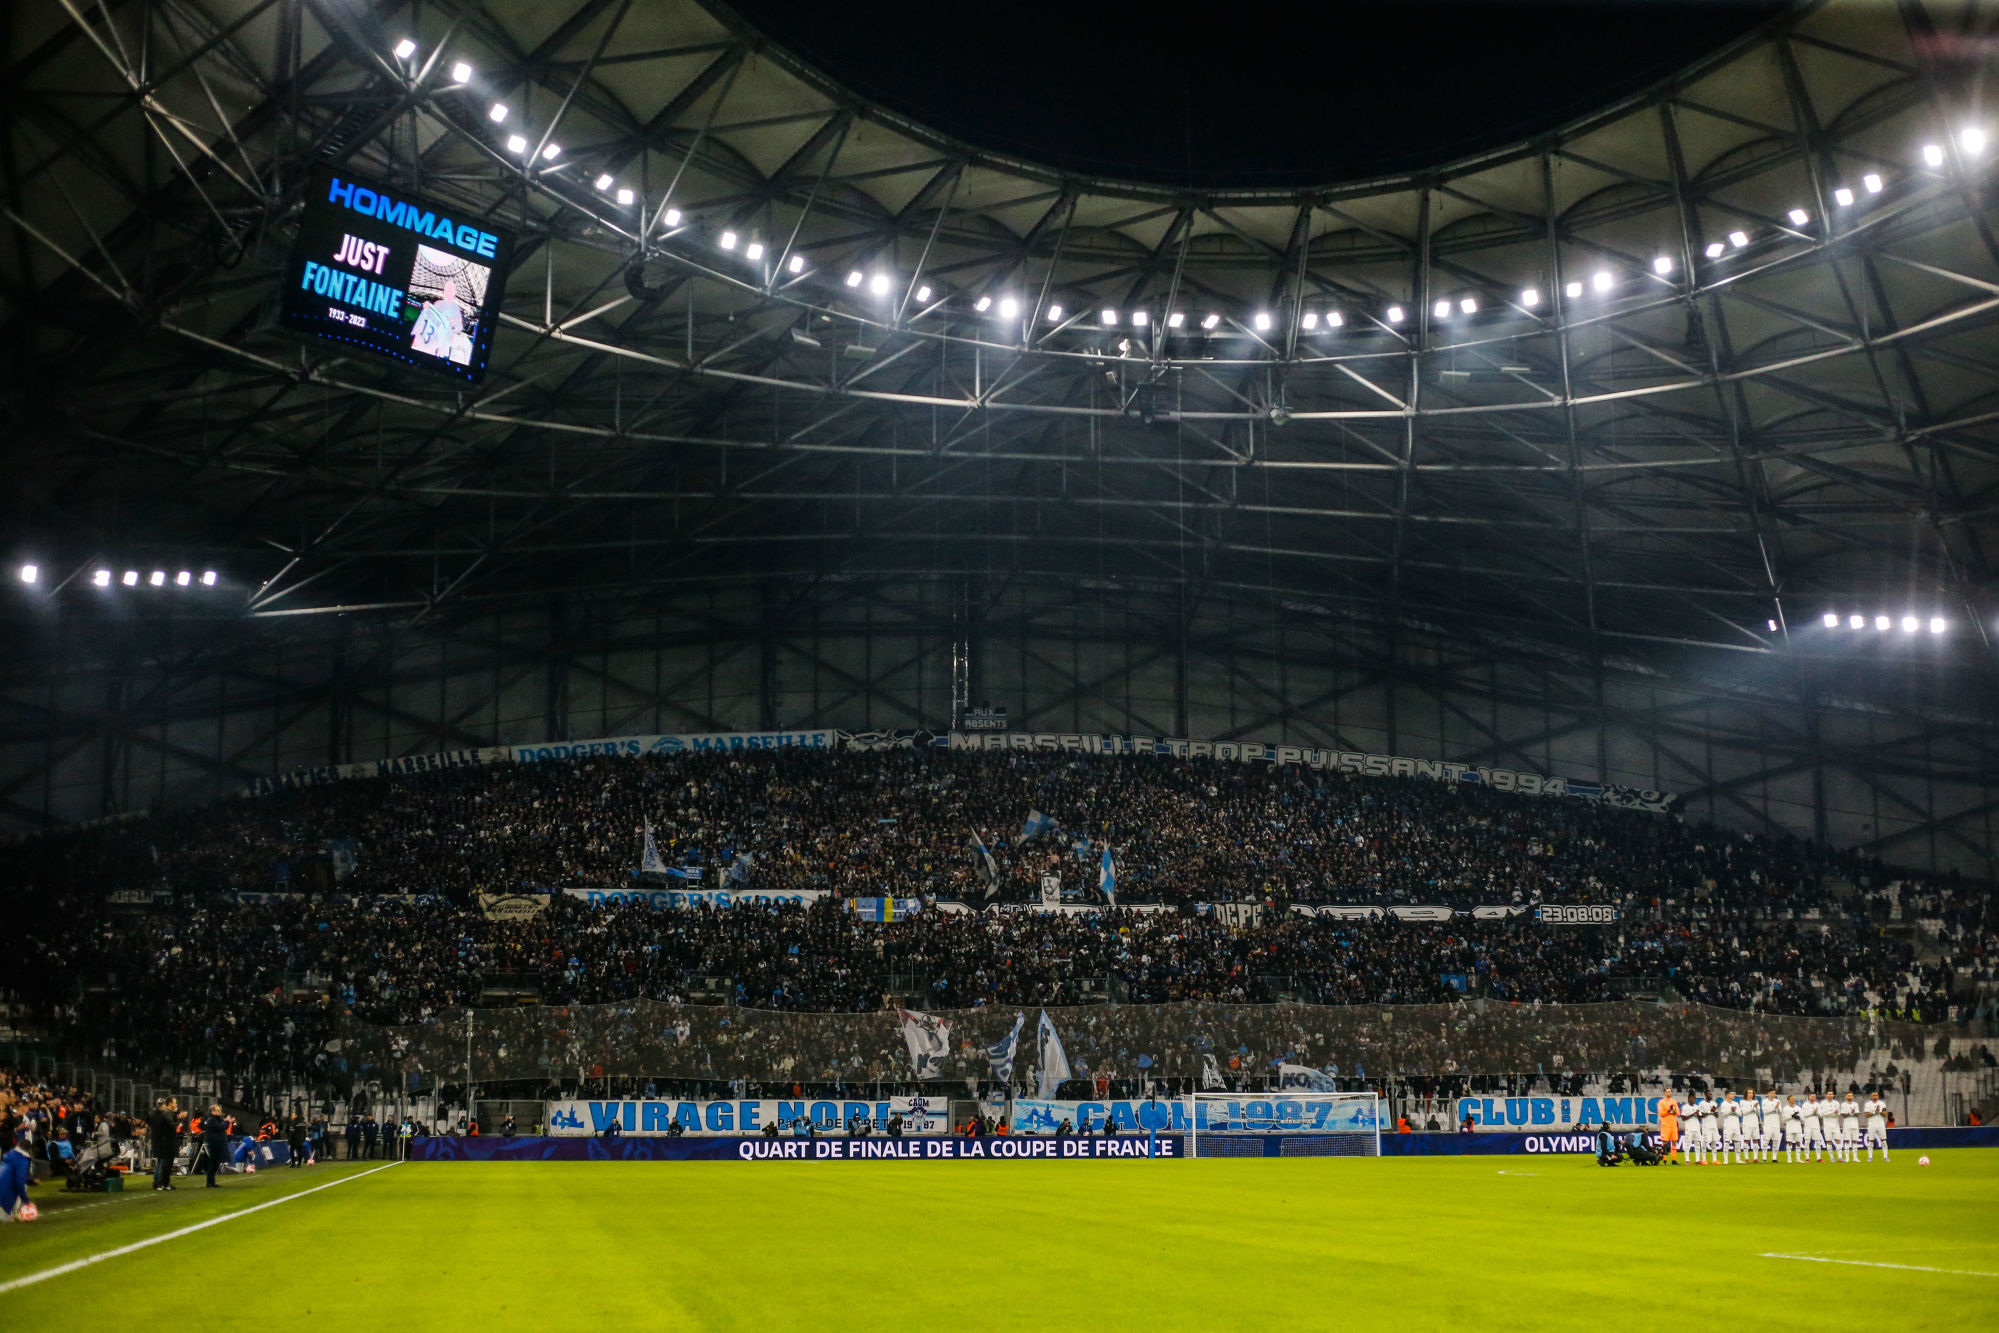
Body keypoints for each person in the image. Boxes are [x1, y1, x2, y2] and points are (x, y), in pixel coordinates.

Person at [145, 1097, 181, 1191]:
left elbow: (148, 1124)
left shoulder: (154, 1114)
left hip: (159, 1139)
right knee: (163, 1162)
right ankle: (159, 1182)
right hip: (161, 1140)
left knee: (162, 1162)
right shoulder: (164, 1114)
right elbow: (170, 1125)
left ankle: (161, 1182)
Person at [1, 1130, 34, 1221]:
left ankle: (12, 1212)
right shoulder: (22, 1159)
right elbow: (19, 1182)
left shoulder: (9, 1154)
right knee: (22, 1186)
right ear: (28, 1149)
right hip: (6, 1191)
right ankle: (12, 1212)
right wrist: (27, 1201)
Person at [196, 1104, 227, 1188]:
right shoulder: (211, 1120)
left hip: (217, 1142)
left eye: (220, 1110)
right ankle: (209, 1182)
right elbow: (221, 1128)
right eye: (217, 1110)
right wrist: (227, 1122)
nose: (219, 1112)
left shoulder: (216, 1119)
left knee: (215, 1163)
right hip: (214, 1143)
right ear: (213, 1111)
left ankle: (212, 1181)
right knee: (213, 1163)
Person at [1863, 1090, 1890, 1162]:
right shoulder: (1867, 1104)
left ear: (1878, 1096)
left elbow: (1885, 1114)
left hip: (1881, 1124)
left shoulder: (1882, 1104)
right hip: (1872, 1124)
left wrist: (1879, 1111)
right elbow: (1866, 1115)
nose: (1875, 1096)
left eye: (1876, 1095)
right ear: (1871, 1096)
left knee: (1883, 1141)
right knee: (1871, 1141)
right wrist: (1875, 1111)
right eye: (1874, 1095)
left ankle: (1885, 1156)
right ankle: (1870, 1157)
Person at [1657, 1091, 1680, 1165]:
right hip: (1665, 1125)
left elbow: (1678, 1112)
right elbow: (1661, 1113)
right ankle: (1664, 1160)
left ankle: (1674, 1160)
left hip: (1673, 1125)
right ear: (1664, 1093)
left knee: (1674, 1142)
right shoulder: (1661, 1102)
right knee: (1665, 1143)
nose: (1670, 1093)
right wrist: (1668, 1111)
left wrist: (1673, 1111)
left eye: (1670, 1092)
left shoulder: (1674, 1101)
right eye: (1668, 1092)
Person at [1838, 1091, 1861, 1163]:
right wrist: (1851, 1112)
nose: (1850, 1097)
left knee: (1855, 1141)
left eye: (1851, 1096)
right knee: (1846, 1140)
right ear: (1846, 1096)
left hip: (1855, 1124)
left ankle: (1855, 1158)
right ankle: (1847, 1158)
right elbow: (1844, 1115)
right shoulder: (1843, 1105)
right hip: (1847, 1124)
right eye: (1849, 1096)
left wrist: (1853, 1112)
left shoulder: (1855, 1104)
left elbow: (1857, 1114)